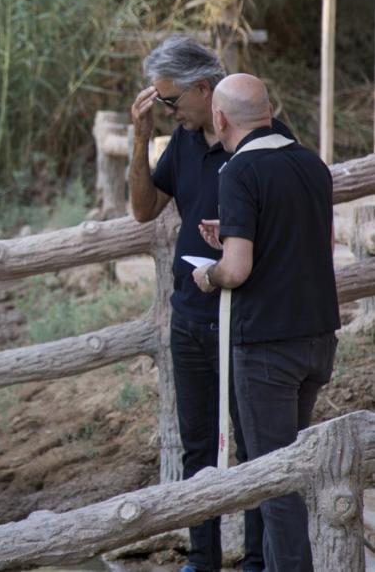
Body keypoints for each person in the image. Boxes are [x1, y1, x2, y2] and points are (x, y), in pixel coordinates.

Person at [129, 36, 291, 572]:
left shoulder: (265, 142)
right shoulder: (182, 139)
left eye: (171, 101)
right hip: (191, 314)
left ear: (205, 89)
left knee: (253, 444)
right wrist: (140, 137)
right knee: (197, 444)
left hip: (247, 318)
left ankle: (253, 560)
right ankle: (202, 557)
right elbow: (144, 210)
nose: (169, 112)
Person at [190, 74, 338, 572]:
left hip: (267, 349)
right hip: (317, 340)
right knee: (288, 476)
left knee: (276, 484)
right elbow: (291, 239)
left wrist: (208, 275)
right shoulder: (312, 165)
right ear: (270, 111)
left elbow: (238, 270)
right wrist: (230, 236)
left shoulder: (237, 172)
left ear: (220, 119)